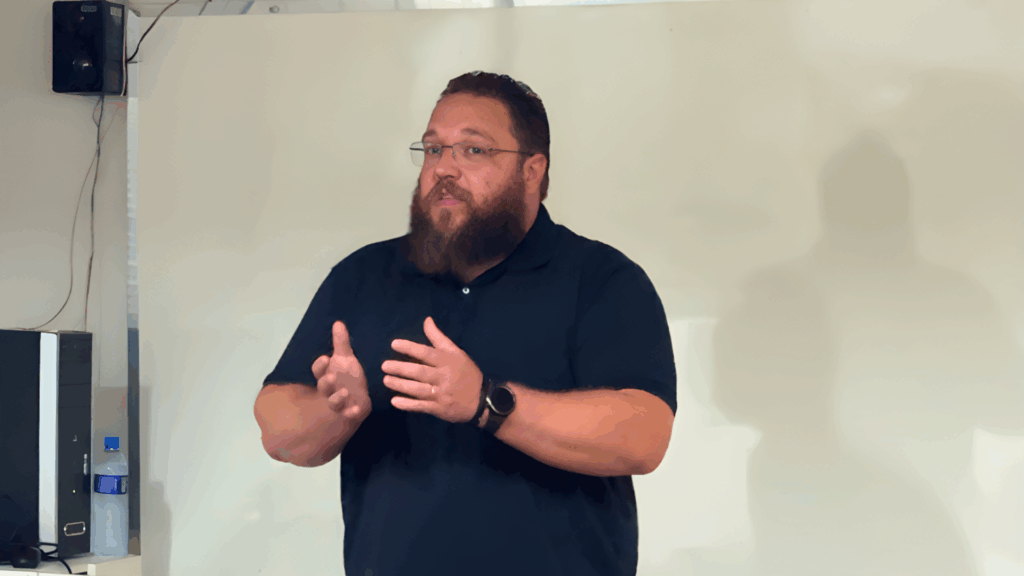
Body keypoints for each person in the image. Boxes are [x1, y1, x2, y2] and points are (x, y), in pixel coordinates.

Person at [253, 71, 677, 576]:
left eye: (473, 150)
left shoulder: (602, 280)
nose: (444, 168)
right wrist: (335, 412)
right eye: (433, 149)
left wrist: (485, 402)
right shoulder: (364, 276)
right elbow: (277, 428)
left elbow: (642, 436)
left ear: (532, 170)